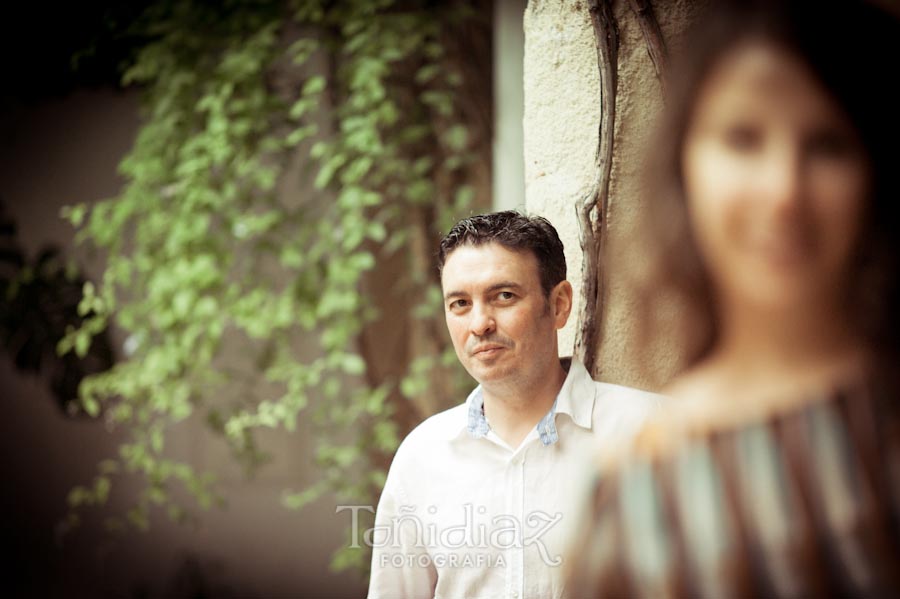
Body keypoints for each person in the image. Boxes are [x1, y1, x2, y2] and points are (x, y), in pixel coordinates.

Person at [566, 0, 900, 596]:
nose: (783, 191)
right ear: (682, 166)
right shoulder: (641, 491)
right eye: (743, 138)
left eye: (828, 144)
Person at [367, 211, 660, 598]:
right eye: (459, 303)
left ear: (558, 305)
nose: (479, 324)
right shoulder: (421, 457)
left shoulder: (652, 434)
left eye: (503, 296)